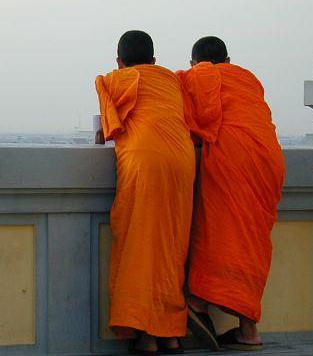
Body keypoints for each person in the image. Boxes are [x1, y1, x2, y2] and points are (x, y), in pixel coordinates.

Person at [176, 36, 285, 351]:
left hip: (234, 157)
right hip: (270, 158)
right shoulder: (248, 79)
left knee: (222, 229)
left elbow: (188, 120)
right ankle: (248, 331)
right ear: (229, 59)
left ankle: (197, 301)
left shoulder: (197, 77)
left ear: (195, 63)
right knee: (252, 237)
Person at [95, 30, 195, 354]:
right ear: (154, 61)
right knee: (171, 243)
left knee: (141, 242)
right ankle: (171, 333)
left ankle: (148, 336)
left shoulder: (114, 79)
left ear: (120, 61)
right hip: (182, 160)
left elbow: (111, 127)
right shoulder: (171, 80)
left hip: (146, 162)